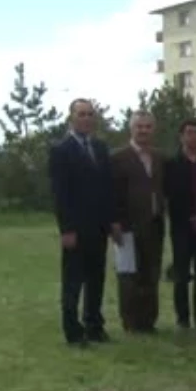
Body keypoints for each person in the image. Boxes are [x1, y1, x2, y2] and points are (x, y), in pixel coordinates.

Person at [49, 99, 114, 347]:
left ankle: (94, 325)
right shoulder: (61, 150)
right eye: (81, 114)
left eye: (90, 114)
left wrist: (110, 221)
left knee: (96, 279)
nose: (86, 118)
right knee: (73, 282)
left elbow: (107, 188)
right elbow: (60, 193)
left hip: (98, 227)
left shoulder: (99, 147)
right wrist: (66, 229)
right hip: (75, 229)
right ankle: (73, 332)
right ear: (71, 118)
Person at [109, 111, 166, 334]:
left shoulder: (160, 158)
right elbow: (111, 193)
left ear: (154, 129)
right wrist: (113, 222)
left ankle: (148, 321)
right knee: (128, 275)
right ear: (131, 129)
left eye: (148, 126)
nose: (143, 130)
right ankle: (131, 322)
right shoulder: (117, 157)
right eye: (139, 126)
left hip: (154, 224)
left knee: (151, 274)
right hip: (126, 227)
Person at [163, 119, 196, 330]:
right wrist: (189, 217)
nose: (193, 136)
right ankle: (183, 318)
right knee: (181, 274)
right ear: (181, 136)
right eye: (189, 132)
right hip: (181, 227)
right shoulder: (172, 164)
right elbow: (170, 196)